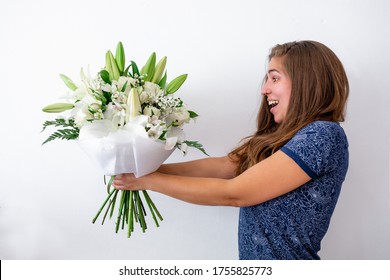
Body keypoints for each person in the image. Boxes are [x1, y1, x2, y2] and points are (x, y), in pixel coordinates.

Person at [113, 40, 349, 260]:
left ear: (306, 82)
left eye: (275, 79)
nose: (264, 89)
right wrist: (146, 169)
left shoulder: (322, 136)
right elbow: (226, 165)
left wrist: (146, 180)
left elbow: (235, 193)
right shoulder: (283, 136)